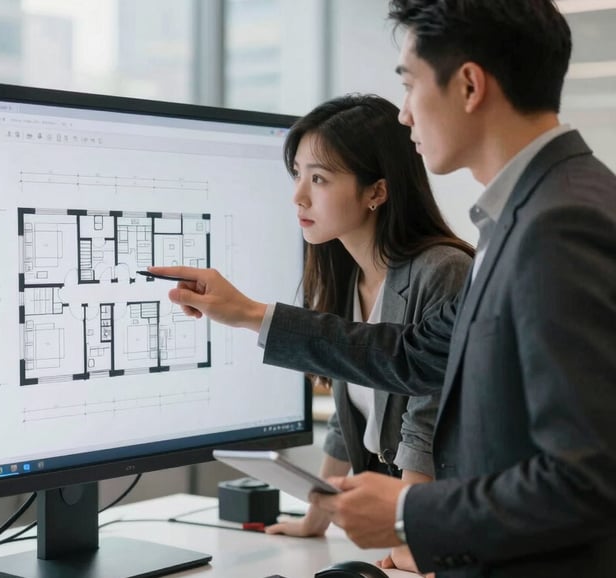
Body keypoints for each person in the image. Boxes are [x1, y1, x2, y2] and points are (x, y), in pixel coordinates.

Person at [149, 1, 616, 576]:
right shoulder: (526, 215)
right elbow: (412, 355)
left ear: (469, 85)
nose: (404, 115)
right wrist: (248, 313)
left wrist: (408, 513)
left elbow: (587, 479)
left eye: (410, 84)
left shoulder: (561, 223)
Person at [250, 94, 472, 574]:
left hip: (448, 525)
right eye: (297, 174)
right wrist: (316, 516)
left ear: (377, 191)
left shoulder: (443, 270)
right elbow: (347, 413)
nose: (298, 196)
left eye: (319, 179)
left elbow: (426, 416)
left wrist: (412, 536)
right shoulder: (345, 275)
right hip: (401, 522)